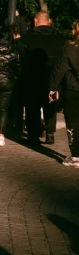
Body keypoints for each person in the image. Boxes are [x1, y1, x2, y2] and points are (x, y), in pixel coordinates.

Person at [20, 10, 66, 145]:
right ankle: (50, 133)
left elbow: (21, 56)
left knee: (32, 106)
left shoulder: (27, 37)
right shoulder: (60, 38)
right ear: (49, 21)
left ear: (35, 21)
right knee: (50, 105)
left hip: (32, 77)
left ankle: (33, 135)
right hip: (52, 76)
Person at [49, 21, 79, 166]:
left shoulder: (70, 48)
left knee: (73, 122)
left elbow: (59, 69)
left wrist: (52, 88)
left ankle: (76, 156)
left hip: (73, 89)